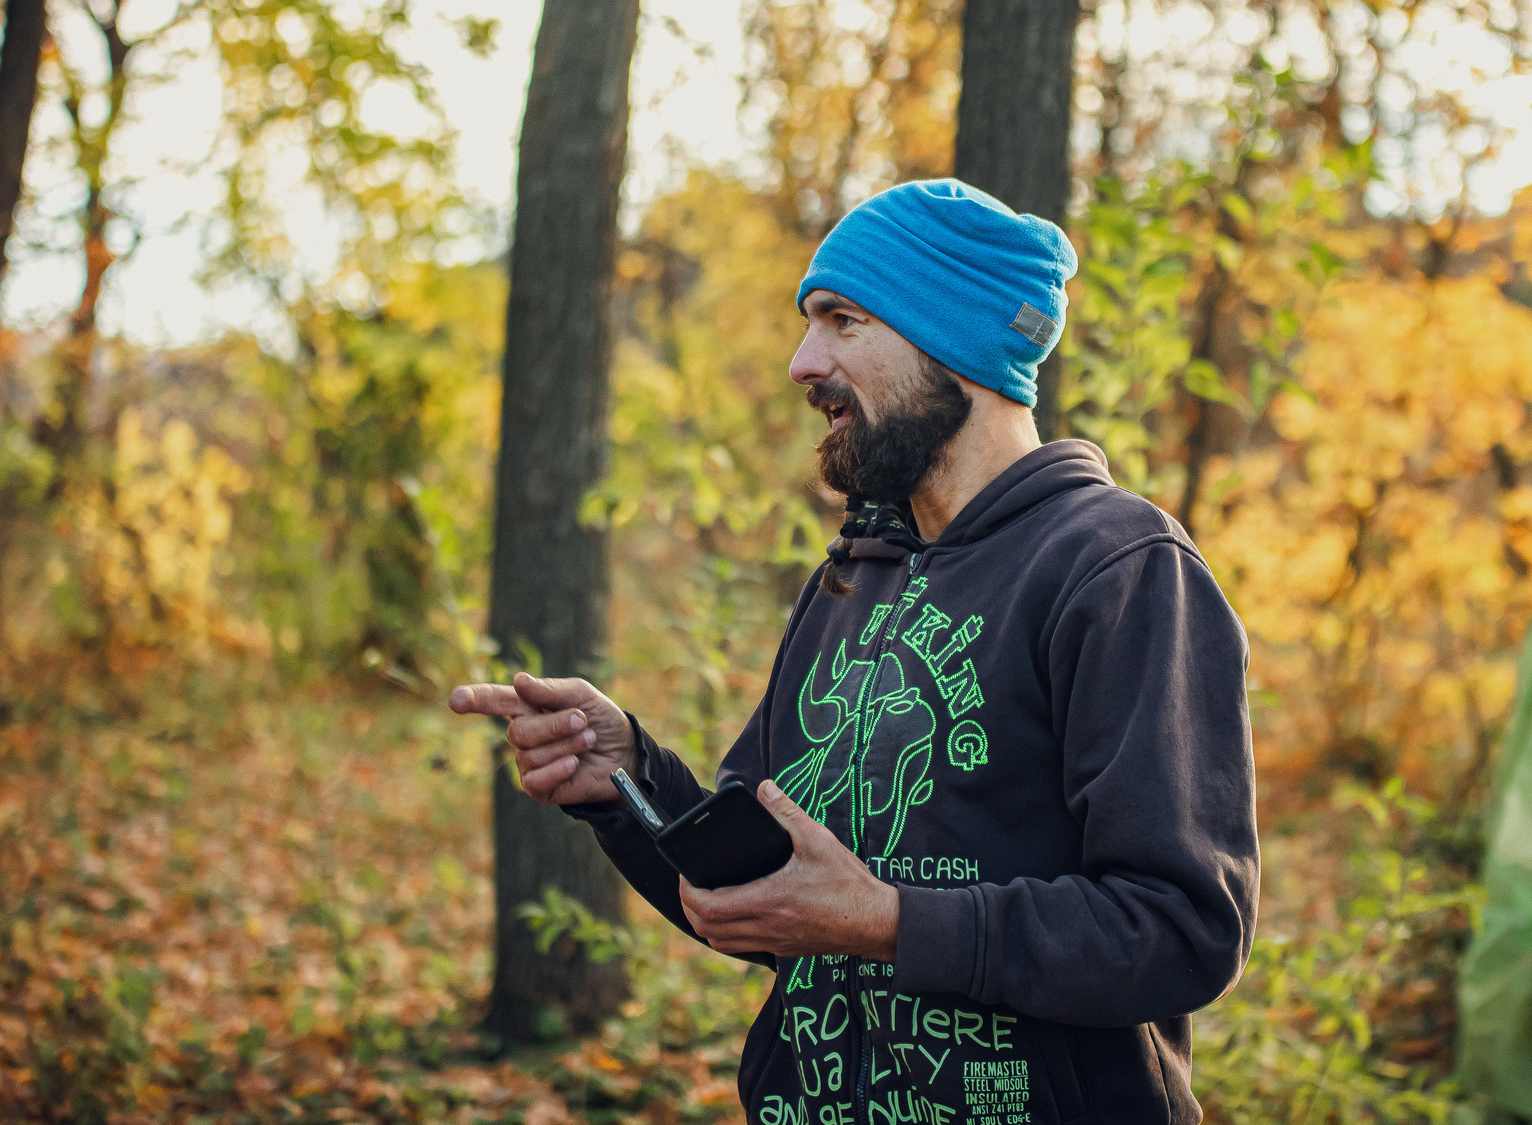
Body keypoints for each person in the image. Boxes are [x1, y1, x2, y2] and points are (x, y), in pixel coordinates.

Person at [452, 178, 1258, 1125]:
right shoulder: (853, 574)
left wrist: (889, 922)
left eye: (842, 319)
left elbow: (1184, 928)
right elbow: (767, 892)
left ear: (948, 341)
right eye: (809, 323)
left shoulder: (1117, 568)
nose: (802, 362)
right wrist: (624, 776)